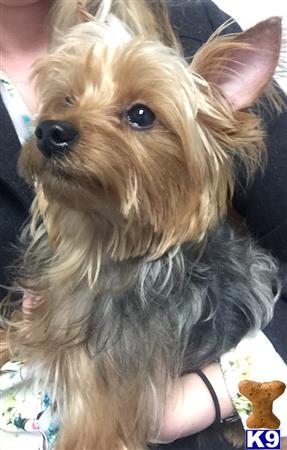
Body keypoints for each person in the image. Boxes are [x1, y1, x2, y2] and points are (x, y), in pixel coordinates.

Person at [0, 1, 286, 450]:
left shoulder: (193, 23)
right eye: (66, 101)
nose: (61, 125)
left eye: (138, 115)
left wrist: (218, 392)